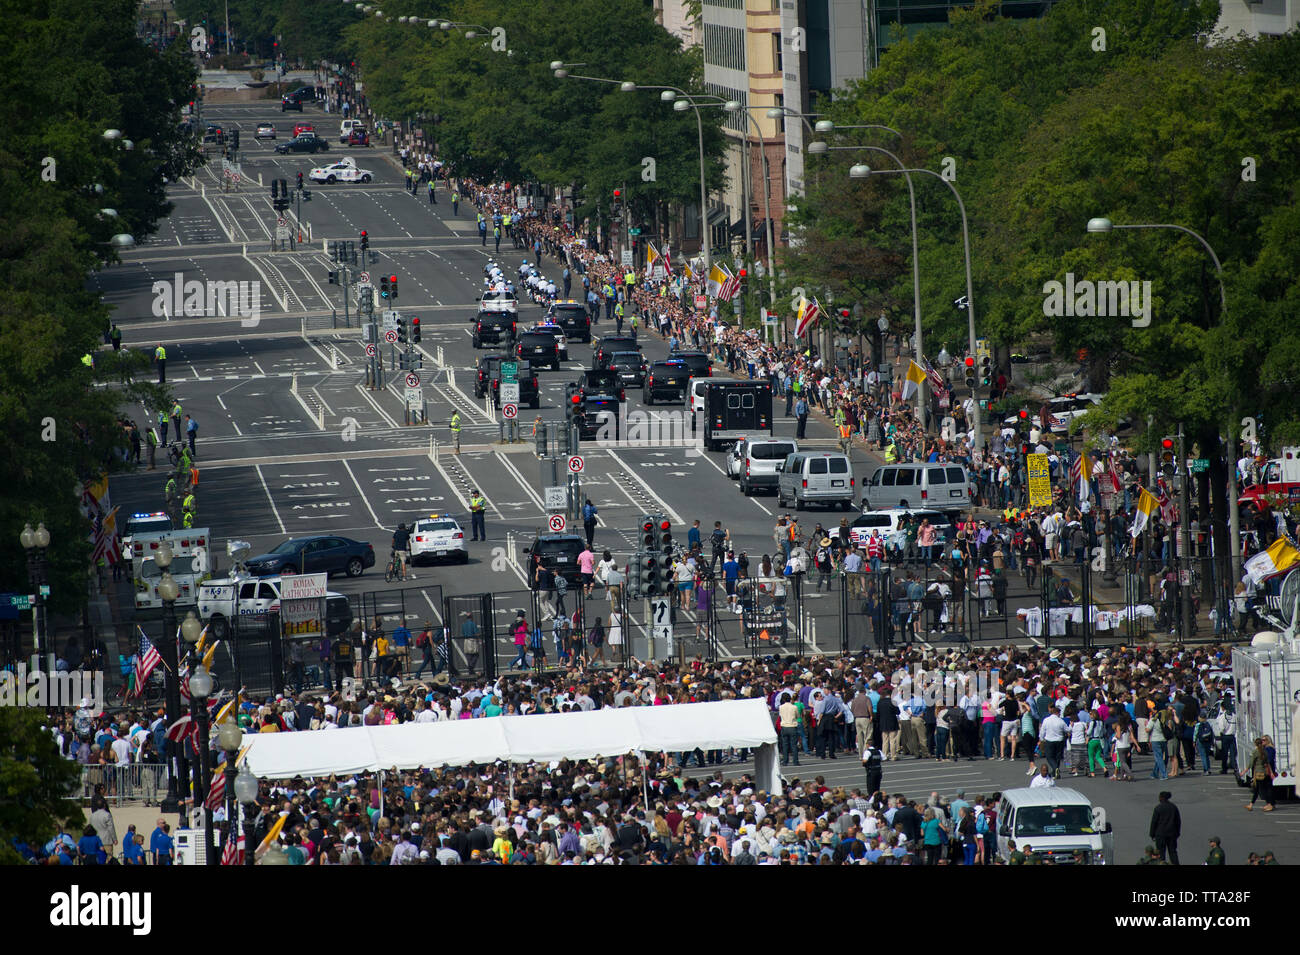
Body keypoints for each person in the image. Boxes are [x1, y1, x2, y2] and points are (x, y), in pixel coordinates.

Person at [1149, 790, 1181, 865]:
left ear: (1162, 798)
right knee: (1173, 852)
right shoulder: (1173, 807)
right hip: (1172, 834)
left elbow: (1154, 822)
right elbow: (1178, 821)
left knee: (1161, 853)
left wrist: (1152, 834)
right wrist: (1177, 833)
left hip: (1160, 834)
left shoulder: (1158, 808)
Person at [1245, 736, 1276, 812]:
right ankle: (1269, 804)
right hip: (1265, 771)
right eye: (1261, 740)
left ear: (1268, 741)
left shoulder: (1269, 749)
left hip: (1266, 772)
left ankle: (1270, 804)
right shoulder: (1264, 749)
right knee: (1263, 788)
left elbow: (1268, 760)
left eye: (1264, 740)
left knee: (1265, 788)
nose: (1262, 742)